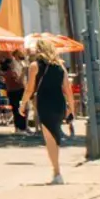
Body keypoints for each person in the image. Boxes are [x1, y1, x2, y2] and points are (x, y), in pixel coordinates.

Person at [22, 37, 66, 184]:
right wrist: (71, 107)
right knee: (56, 136)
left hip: (45, 103)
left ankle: (57, 172)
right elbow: (67, 89)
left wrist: (23, 104)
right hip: (60, 103)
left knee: (50, 139)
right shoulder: (60, 66)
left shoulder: (34, 66)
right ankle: (56, 171)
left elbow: (29, 88)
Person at [0, 55, 27, 132]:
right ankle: (22, 128)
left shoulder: (6, 73)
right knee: (20, 110)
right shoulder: (11, 72)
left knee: (15, 110)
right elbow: (19, 81)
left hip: (11, 92)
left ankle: (17, 128)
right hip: (17, 92)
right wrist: (23, 72)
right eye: (12, 62)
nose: (14, 63)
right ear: (9, 64)